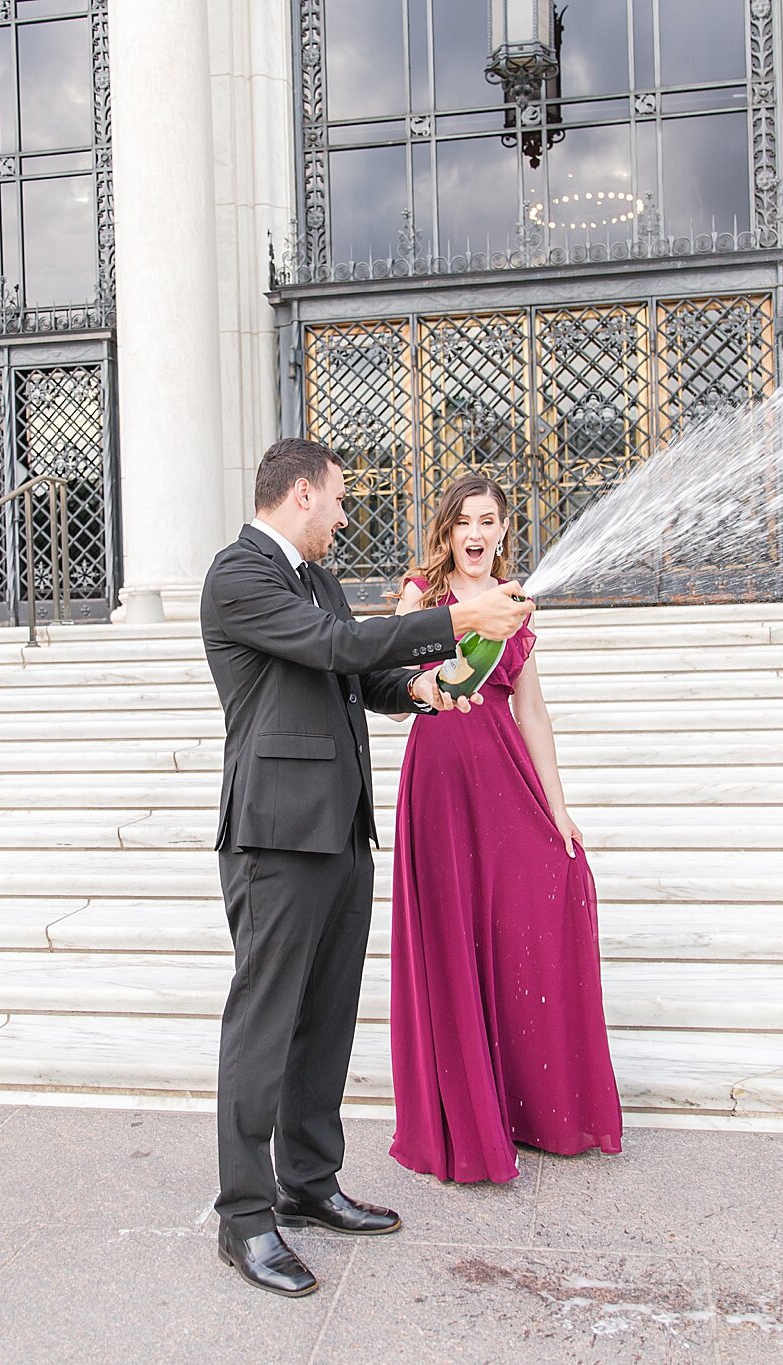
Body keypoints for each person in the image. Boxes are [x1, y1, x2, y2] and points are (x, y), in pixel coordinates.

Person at [199, 439, 536, 1297]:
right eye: (340, 501)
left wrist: (423, 689)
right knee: (264, 1024)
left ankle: (308, 1184)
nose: (346, 517)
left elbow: (356, 677)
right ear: (302, 493)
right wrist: (459, 617)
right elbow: (335, 644)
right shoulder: (239, 575)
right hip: (275, 837)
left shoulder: (310, 578)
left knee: (326, 1019)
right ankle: (245, 1218)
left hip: (341, 830)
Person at [388, 474, 623, 1185]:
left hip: (505, 782)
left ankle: (532, 1109)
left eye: (487, 519)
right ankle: (466, 1120)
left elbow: (533, 712)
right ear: (448, 532)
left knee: (527, 914)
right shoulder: (420, 597)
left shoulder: (516, 604)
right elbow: (393, 686)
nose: (476, 532)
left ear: (501, 529)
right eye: (464, 520)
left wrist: (559, 807)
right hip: (439, 783)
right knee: (453, 938)